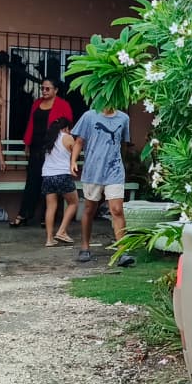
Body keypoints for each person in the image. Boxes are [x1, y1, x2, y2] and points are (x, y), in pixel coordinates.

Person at [70, 105, 134, 266]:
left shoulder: (124, 118)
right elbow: (79, 141)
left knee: (117, 210)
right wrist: (73, 161)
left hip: (114, 171)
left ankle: (122, 252)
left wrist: (122, 164)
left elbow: (123, 144)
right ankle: (85, 247)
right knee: (90, 209)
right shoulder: (89, 116)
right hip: (93, 170)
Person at [13, 77, 74, 227]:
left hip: (53, 147)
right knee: (33, 180)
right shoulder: (36, 103)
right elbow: (31, 124)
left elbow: (68, 127)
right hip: (36, 146)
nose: (44, 91)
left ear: (56, 90)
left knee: (50, 180)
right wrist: (27, 143)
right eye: (42, 88)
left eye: (47, 89)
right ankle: (24, 214)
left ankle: (46, 218)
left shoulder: (63, 105)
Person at [40, 117, 79, 247]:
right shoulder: (68, 137)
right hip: (62, 174)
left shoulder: (49, 138)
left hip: (47, 175)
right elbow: (76, 151)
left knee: (51, 207)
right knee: (73, 203)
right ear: (66, 128)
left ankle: (49, 239)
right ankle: (62, 231)